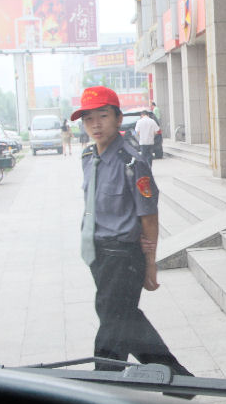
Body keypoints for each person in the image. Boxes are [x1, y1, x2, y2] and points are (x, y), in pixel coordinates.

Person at [71, 86, 193, 381]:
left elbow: (149, 216)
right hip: (98, 253)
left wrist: (150, 265)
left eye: (103, 116)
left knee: (112, 323)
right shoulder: (89, 157)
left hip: (124, 256)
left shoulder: (132, 161)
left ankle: (105, 383)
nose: (96, 124)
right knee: (124, 319)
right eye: (88, 119)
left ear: (118, 118)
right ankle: (176, 376)